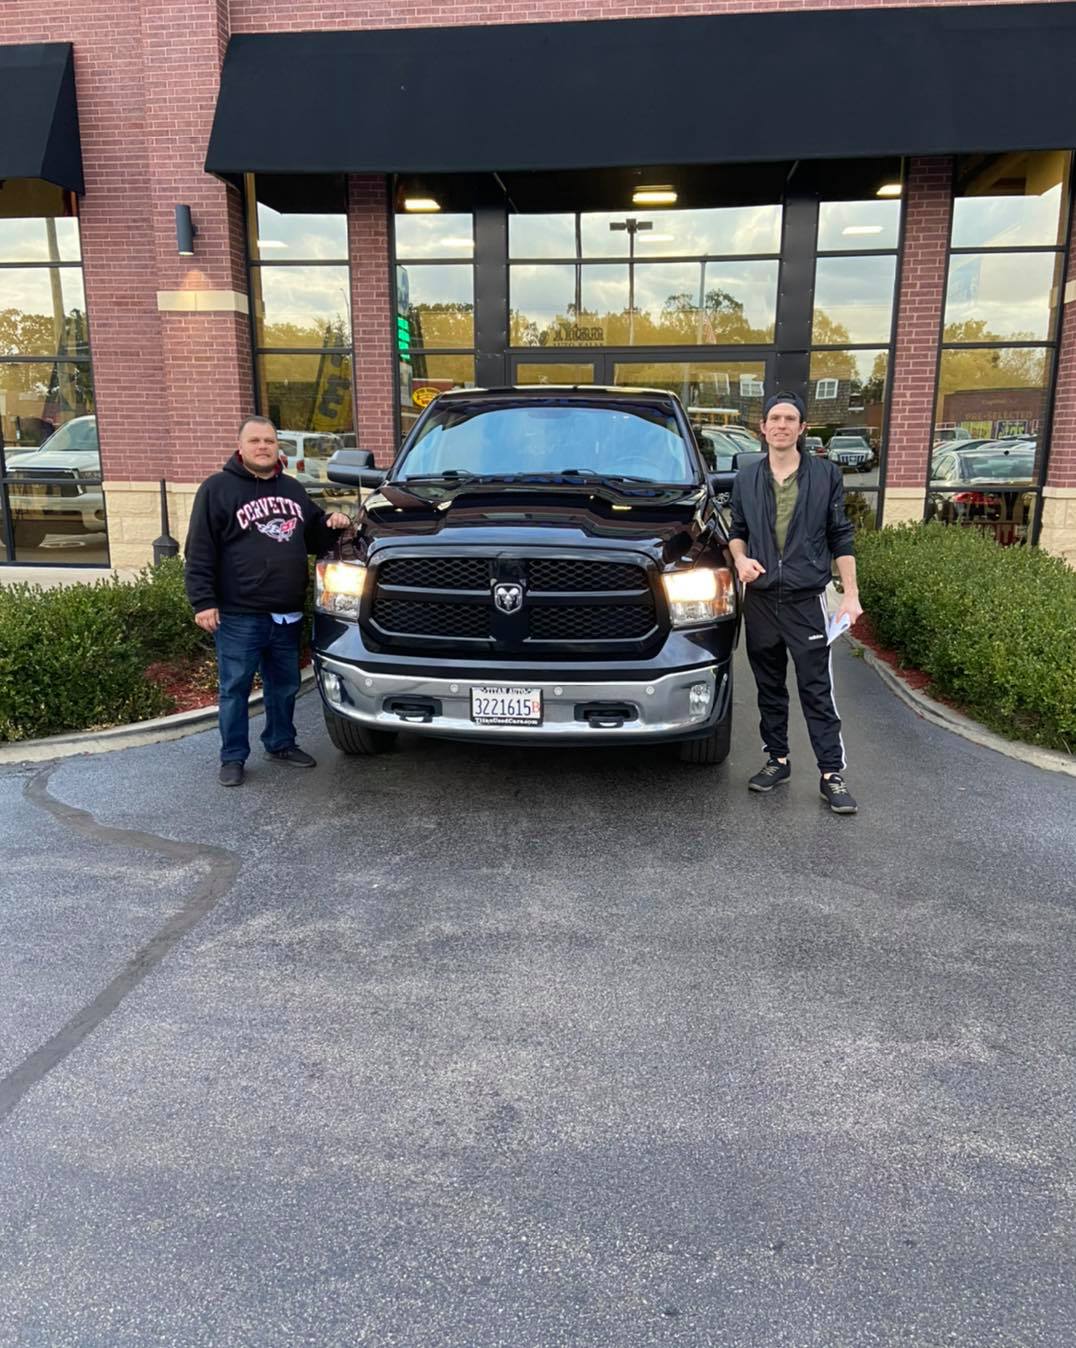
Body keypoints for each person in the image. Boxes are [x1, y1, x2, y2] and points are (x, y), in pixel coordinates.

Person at [184, 416, 351, 787]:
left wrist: (332, 522)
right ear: (240, 447)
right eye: (255, 440)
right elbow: (199, 550)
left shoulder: (292, 489)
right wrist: (203, 601)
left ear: (278, 447)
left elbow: (313, 537)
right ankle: (233, 757)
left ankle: (280, 743)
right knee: (235, 689)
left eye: (269, 441)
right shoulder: (216, 488)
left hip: (286, 614)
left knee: (284, 686)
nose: (263, 447)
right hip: (238, 614)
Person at [727, 392, 863, 815]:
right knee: (769, 687)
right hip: (762, 600)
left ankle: (831, 774)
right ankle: (778, 760)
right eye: (775, 418)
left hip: (806, 600)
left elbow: (840, 535)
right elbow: (737, 531)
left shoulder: (825, 475)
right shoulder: (747, 478)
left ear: (802, 428)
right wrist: (740, 559)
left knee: (816, 689)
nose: (781, 425)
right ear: (763, 428)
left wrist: (851, 594)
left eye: (790, 419)